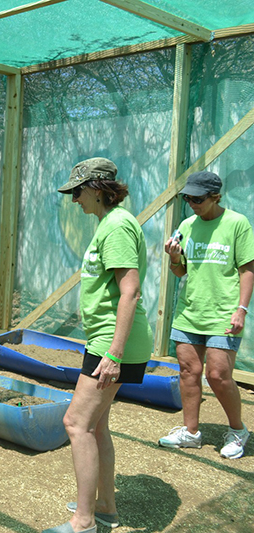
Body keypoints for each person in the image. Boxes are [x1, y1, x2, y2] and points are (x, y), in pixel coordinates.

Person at [44, 158, 152, 533]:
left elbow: (130, 291)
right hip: (105, 340)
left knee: (76, 423)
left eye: (77, 191)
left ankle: (83, 522)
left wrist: (114, 354)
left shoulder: (117, 226)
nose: (74, 199)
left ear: (96, 188)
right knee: (96, 425)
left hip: (113, 343)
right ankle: (104, 507)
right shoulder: (110, 224)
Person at [158, 170, 253, 459]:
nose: (192, 204)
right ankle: (191, 433)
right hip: (190, 313)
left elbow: (247, 269)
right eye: (188, 198)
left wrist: (241, 309)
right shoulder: (186, 225)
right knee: (189, 372)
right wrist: (174, 257)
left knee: (218, 375)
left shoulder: (237, 223)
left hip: (223, 314)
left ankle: (238, 430)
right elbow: (181, 271)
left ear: (215, 197)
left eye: (197, 199)